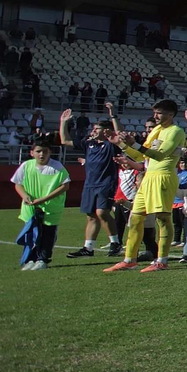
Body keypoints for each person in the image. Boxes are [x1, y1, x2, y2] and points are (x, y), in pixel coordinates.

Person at [103, 99, 184, 274]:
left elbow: (160, 155)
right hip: (148, 178)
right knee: (136, 218)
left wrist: (134, 143)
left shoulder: (176, 132)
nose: (155, 116)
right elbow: (141, 157)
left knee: (163, 218)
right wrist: (120, 143)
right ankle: (129, 259)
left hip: (163, 177)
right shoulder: (156, 130)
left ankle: (162, 260)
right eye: (155, 112)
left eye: (159, 113)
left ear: (171, 114)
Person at [60, 105, 120, 258]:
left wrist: (113, 116)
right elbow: (65, 141)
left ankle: (115, 242)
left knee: (102, 212)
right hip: (90, 184)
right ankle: (88, 248)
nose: (93, 131)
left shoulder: (111, 145)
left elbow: (119, 135)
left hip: (106, 183)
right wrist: (63, 122)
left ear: (106, 131)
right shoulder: (89, 143)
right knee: (91, 215)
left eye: (97, 128)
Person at [13, 140, 69, 270]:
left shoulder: (57, 167)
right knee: (32, 233)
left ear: (50, 152)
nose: (41, 154)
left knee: (48, 234)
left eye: (45, 151)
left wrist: (44, 199)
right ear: (32, 153)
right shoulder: (26, 166)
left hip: (51, 208)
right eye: (38, 151)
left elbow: (65, 186)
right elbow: (18, 184)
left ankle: (43, 259)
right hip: (31, 207)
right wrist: (24, 196)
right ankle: (30, 259)